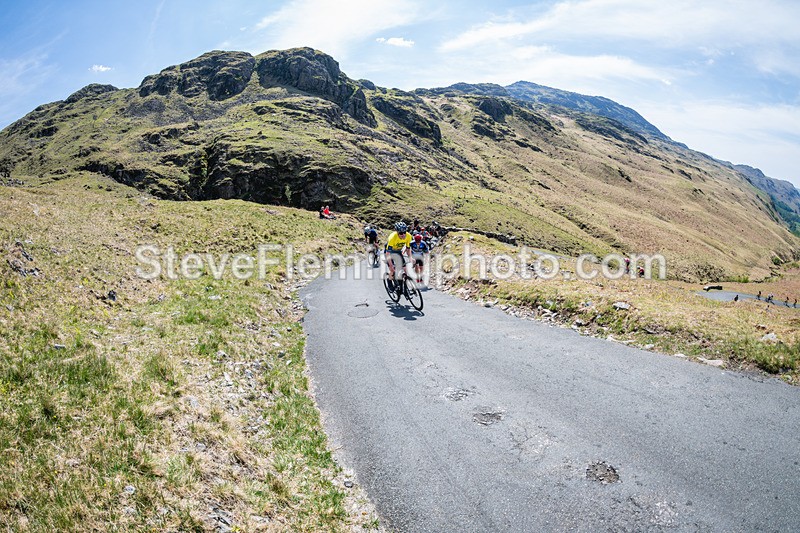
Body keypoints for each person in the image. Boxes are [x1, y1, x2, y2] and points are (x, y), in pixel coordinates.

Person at [385, 221, 412, 286]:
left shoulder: (408, 236)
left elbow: (408, 249)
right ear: (397, 232)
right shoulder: (392, 237)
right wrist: (391, 265)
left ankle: (405, 287)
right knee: (392, 271)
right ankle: (389, 281)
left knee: (405, 269)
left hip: (398, 251)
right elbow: (387, 253)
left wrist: (410, 258)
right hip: (390, 252)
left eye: (404, 232)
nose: (403, 235)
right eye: (401, 233)